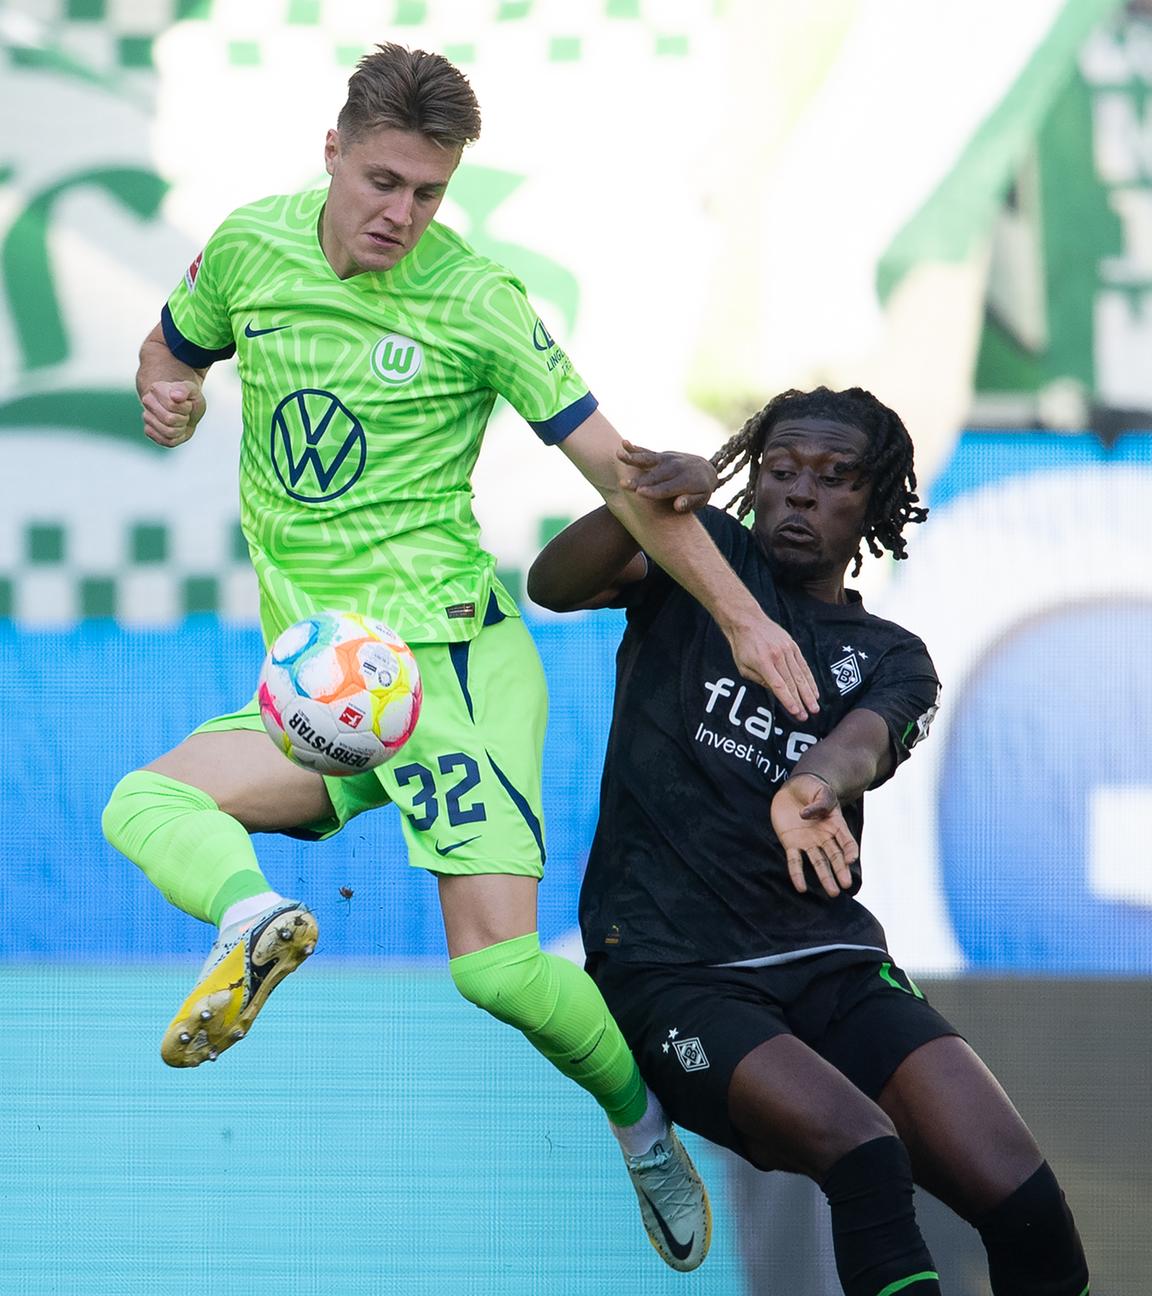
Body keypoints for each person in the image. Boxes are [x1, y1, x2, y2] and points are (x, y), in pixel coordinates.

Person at [99, 43, 822, 1272]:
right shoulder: (247, 249)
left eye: (430, 193)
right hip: (326, 690)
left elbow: (628, 480)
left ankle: (642, 1129)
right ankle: (260, 918)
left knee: (493, 973)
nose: (403, 214)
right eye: (384, 182)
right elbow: (175, 347)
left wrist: (746, 620)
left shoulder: (475, 301)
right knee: (145, 798)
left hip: (452, 672)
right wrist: (162, 390)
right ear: (331, 150)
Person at [527, 386, 1092, 1296]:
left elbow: (864, 740)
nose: (800, 494)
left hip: (830, 963)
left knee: (1026, 1207)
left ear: (873, 502)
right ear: (754, 482)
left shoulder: (892, 654)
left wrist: (814, 783)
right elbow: (551, 585)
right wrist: (644, 505)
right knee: (863, 1150)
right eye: (781, 472)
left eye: (833, 479)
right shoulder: (702, 562)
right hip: (673, 968)